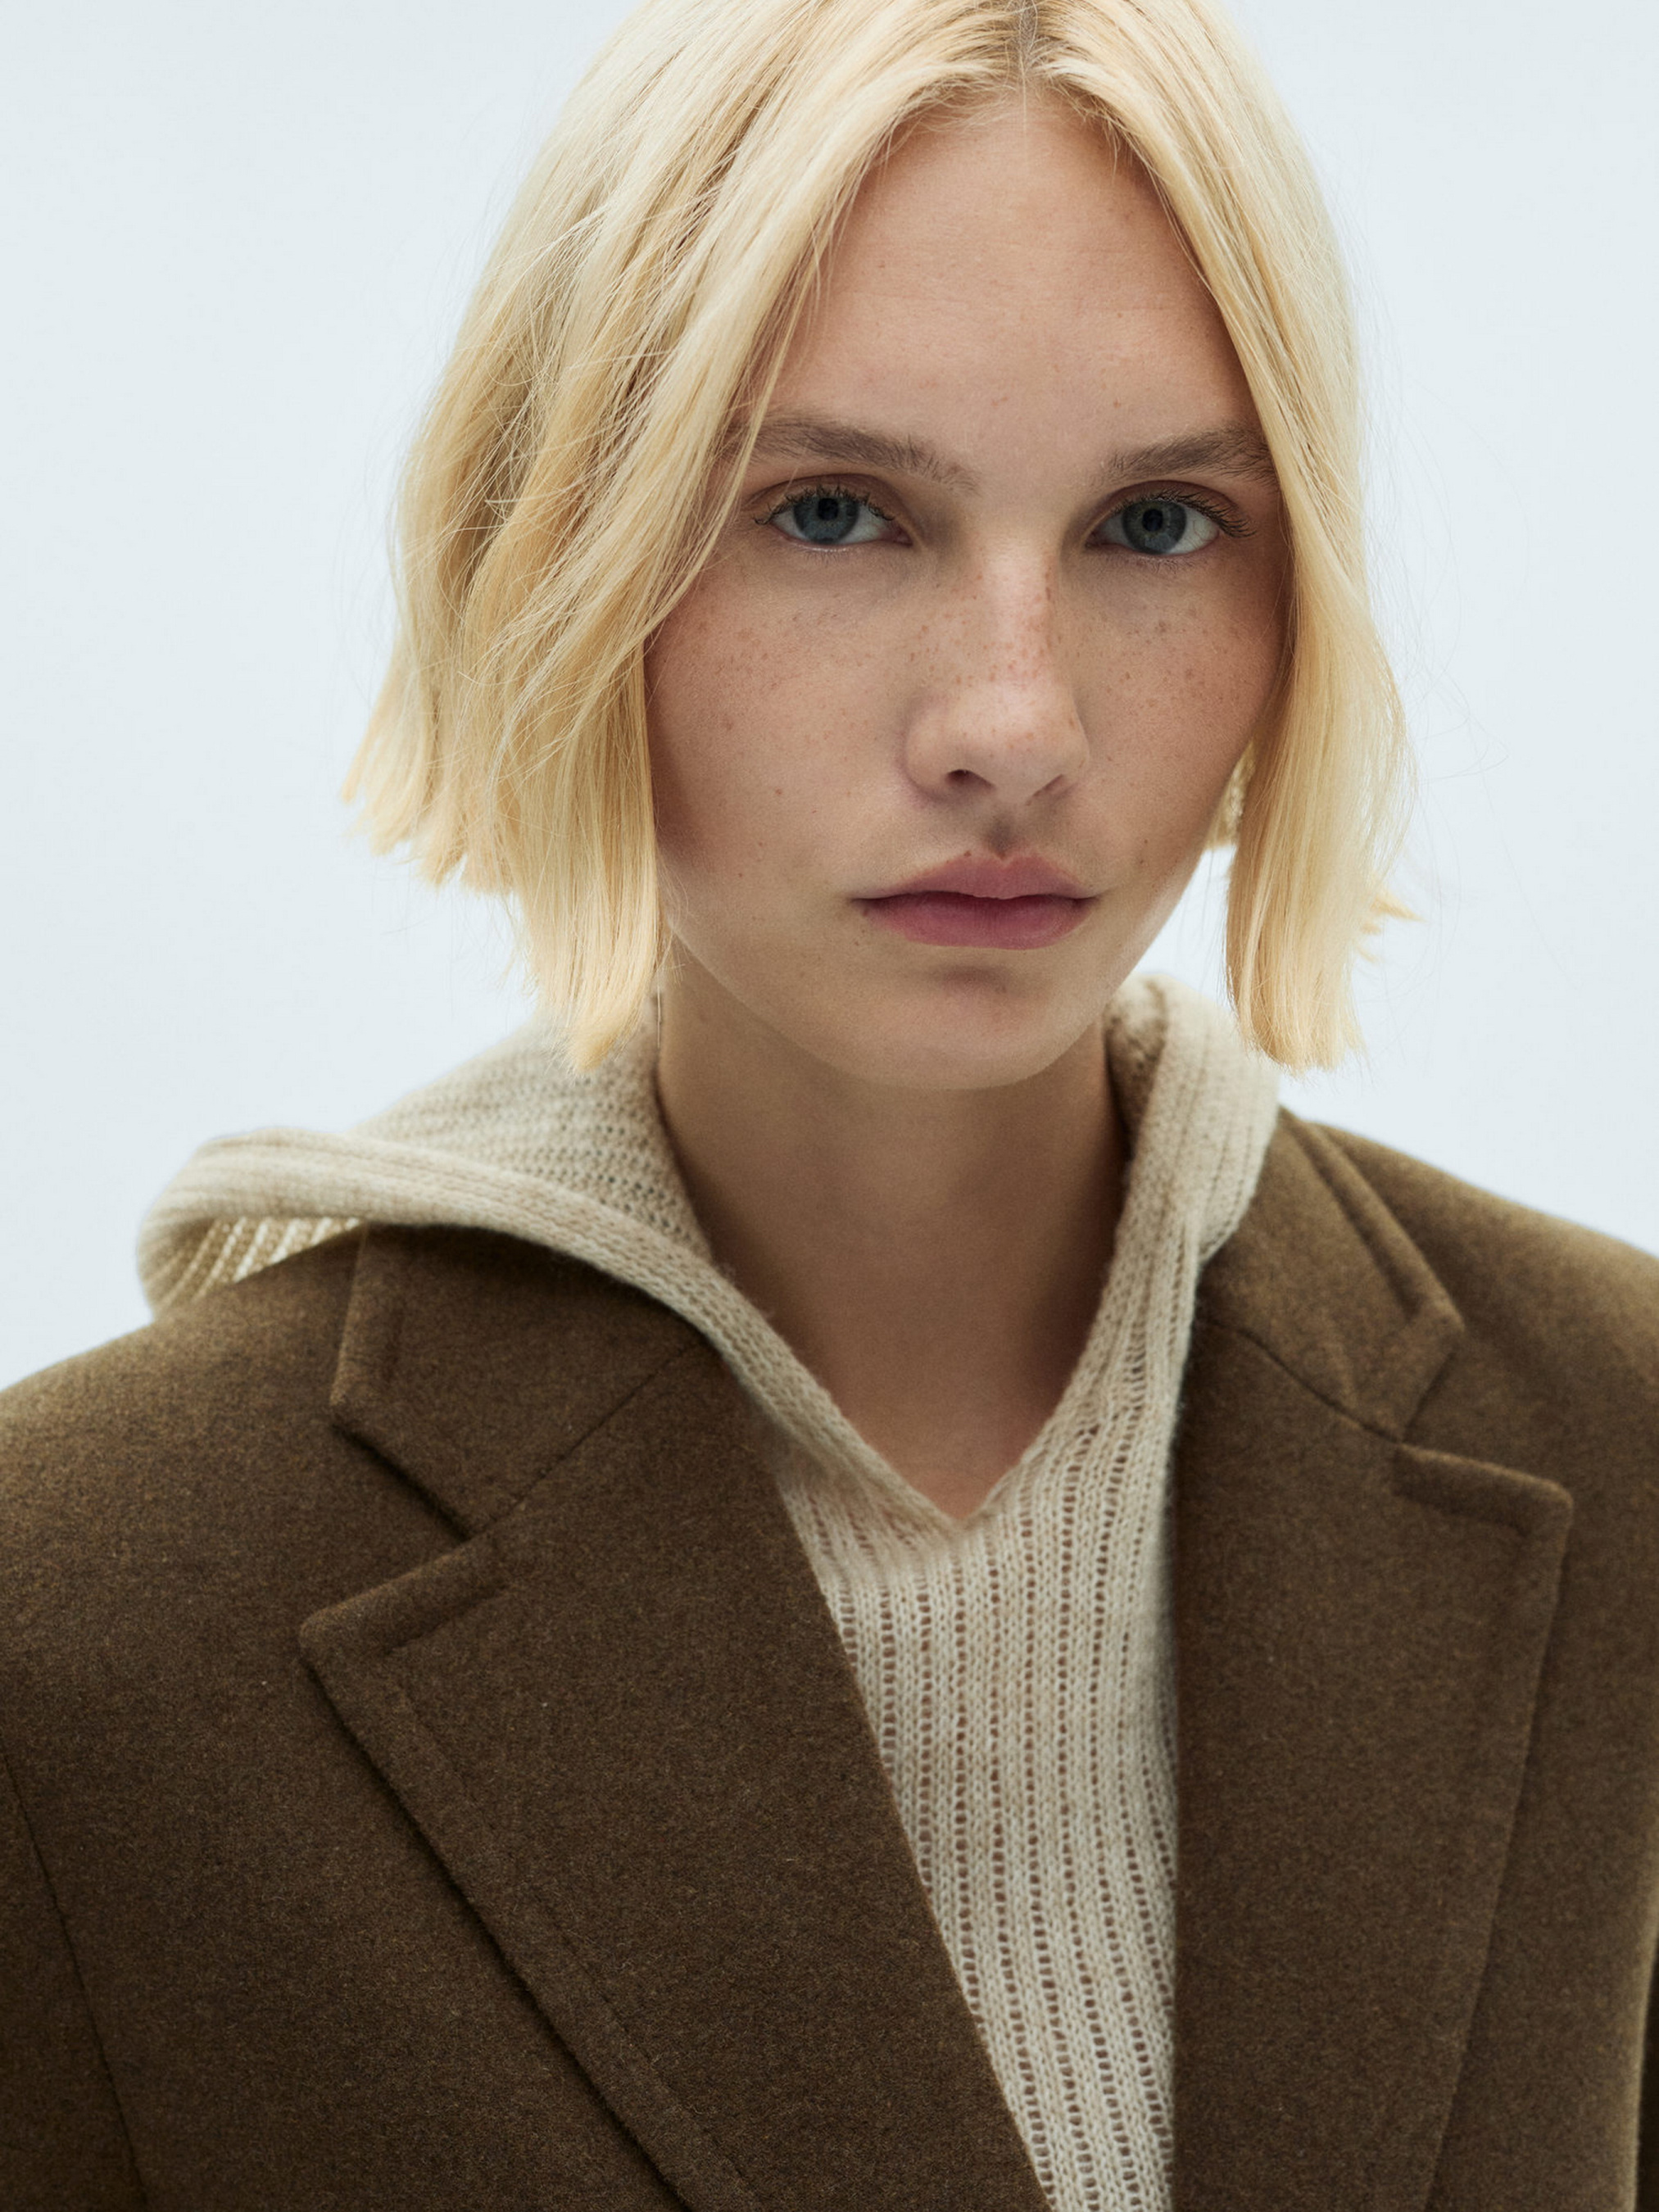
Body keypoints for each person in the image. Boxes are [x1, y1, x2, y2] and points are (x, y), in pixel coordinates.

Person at [2, 0, 1656, 2204]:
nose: (1012, 724)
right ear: (551, 554)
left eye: (1157, 522)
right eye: (833, 512)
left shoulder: (1617, 1435)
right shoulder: (81, 1617)